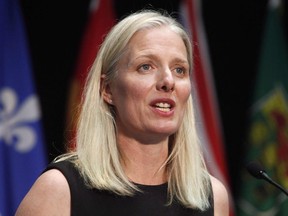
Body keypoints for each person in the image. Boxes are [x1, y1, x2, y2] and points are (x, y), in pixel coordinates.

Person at [16, 10, 229, 216]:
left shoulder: (211, 196)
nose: (168, 81)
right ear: (108, 89)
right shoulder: (60, 190)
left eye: (179, 69)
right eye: (146, 66)